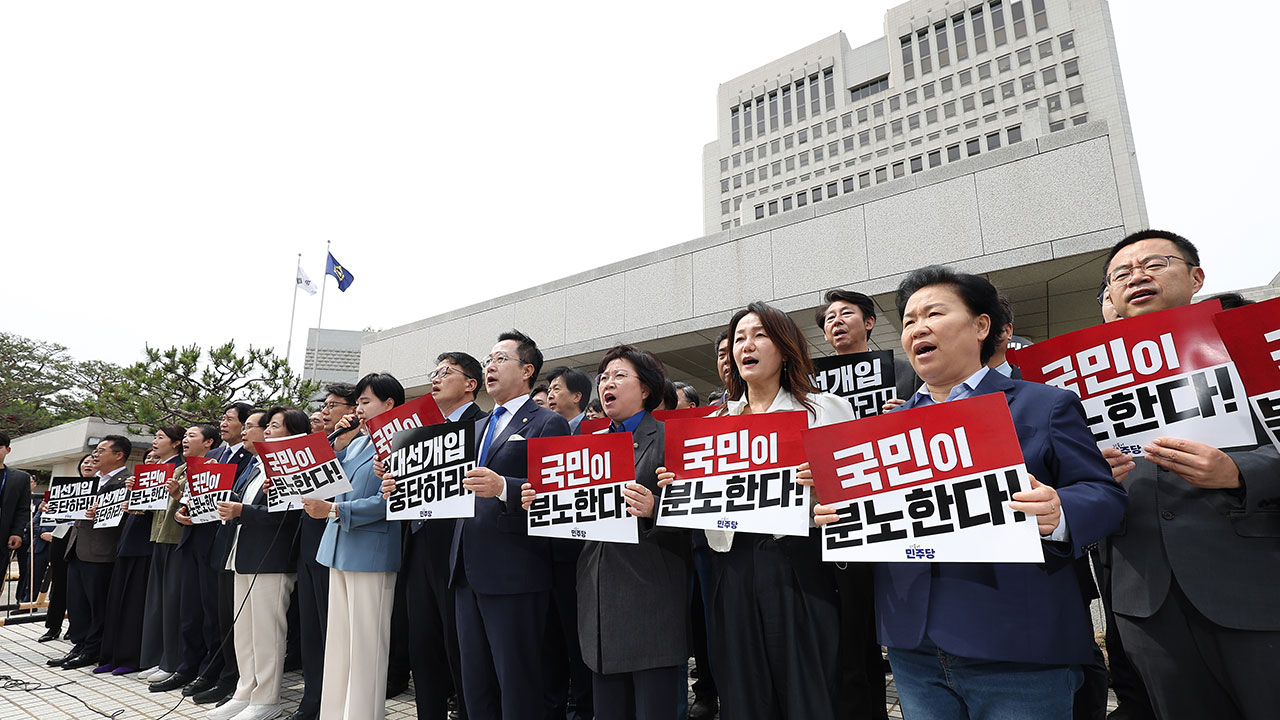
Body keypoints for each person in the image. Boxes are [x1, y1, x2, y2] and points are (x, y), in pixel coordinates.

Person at [815, 265, 1127, 720]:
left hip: (1019, 645)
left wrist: (1060, 512)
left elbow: (1105, 496)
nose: (918, 328)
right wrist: (839, 516)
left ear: (982, 325)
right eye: (908, 321)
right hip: (914, 647)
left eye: (934, 314)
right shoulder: (880, 434)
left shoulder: (1045, 404)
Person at [1099, 230, 1280, 720]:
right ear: (1111, 297)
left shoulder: (1255, 343)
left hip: (1257, 588)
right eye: (1121, 274)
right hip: (1148, 603)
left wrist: (1239, 470)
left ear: (1196, 276)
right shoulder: (1082, 378)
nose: (1136, 276)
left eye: (1154, 263)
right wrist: (1093, 480)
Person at [658, 302, 857, 720]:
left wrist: (825, 488)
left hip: (798, 563)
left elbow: (854, 496)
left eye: (760, 335)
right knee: (743, 691)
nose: (746, 346)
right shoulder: (712, 424)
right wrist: (676, 490)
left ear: (785, 348)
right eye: (740, 339)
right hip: (730, 566)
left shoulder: (824, 410)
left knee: (806, 688)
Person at [522, 345, 688, 720]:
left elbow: (701, 517)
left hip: (651, 603)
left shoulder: (670, 438)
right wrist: (542, 503)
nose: (607, 384)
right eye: (604, 378)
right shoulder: (584, 449)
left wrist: (656, 508)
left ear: (645, 389)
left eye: (619, 376)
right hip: (597, 603)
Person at [449, 330, 571, 720]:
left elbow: (556, 491)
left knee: (516, 682)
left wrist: (504, 487)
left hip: (515, 570)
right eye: (488, 359)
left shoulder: (548, 422)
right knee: (476, 682)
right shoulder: (479, 427)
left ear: (527, 370)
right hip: (465, 569)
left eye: (500, 359)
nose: (490, 366)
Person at [390, 353, 485, 720]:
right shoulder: (418, 432)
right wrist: (392, 482)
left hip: (458, 550)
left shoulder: (484, 425)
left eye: (446, 372)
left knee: (459, 645)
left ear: (470, 384)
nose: (436, 378)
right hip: (417, 544)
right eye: (435, 372)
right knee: (423, 644)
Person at [307, 373, 404, 720]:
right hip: (338, 548)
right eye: (358, 403)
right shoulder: (357, 442)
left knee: (366, 647)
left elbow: (389, 502)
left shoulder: (400, 442)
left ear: (389, 404)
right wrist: (340, 441)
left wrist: (334, 510)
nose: (359, 409)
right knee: (340, 643)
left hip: (372, 553)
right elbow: (334, 482)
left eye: (366, 402)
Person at [209, 408, 307, 720]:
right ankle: (245, 691)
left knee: (267, 633)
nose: (266, 431)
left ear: (294, 432)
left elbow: (289, 515)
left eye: (274, 426)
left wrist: (242, 511)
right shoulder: (257, 465)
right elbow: (243, 503)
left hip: (273, 559)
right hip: (242, 554)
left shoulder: (295, 465)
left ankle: (267, 699)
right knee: (245, 631)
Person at [285, 382, 356, 720]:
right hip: (309, 542)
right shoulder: (322, 444)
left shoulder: (359, 446)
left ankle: (331, 702)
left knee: (334, 632)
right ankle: (312, 698)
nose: (326, 411)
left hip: (341, 545)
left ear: (353, 410)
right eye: (324, 405)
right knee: (312, 630)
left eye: (334, 405)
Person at [179, 404, 258, 701]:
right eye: (222, 418)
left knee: (219, 613)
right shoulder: (210, 457)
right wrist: (182, 511)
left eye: (231, 419)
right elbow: (192, 497)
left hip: (227, 539)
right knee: (193, 609)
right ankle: (194, 666)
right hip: (198, 538)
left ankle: (219, 671)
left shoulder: (251, 459)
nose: (224, 423)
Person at [542, 364, 596, 720]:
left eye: (557, 389)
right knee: (552, 641)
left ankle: (581, 707)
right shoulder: (544, 433)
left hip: (577, 554)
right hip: (543, 553)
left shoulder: (596, 438)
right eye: (548, 388)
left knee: (577, 640)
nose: (550, 394)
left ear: (577, 397)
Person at [49, 435, 130, 671]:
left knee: (97, 605)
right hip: (77, 548)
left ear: (118, 455)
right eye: (95, 450)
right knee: (78, 603)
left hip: (102, 552)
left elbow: (123, 518)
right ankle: (80, 644)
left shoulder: (127, 481)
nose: (95, 454)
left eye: (102, 450)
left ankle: (93, 648)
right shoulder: (91, 481)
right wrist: (53, 507)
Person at [152, 425, 222, 694]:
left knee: (210, 615)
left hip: (214, 545)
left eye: (192, 436)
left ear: (208, 442)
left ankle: (208, 670)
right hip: (190, 539)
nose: (185, 441)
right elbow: (195, 502)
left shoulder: (230, 461)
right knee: (189, 613)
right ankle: (187, 666)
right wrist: (182, 505)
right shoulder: (193, 467)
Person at [96, 437, 162, 676]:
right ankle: (110, 655)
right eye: (147, 460)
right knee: (117, 605)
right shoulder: (131, 486)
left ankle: (130, 657)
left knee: (134, 607)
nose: (151, 461)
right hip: (125, 546)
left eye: (156, 459)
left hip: (145, 549)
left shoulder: (164, 486)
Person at [815, 288, 924, 410]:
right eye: (830, 318)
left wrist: (910, 415)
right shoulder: (812, 386)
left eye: (846, 313)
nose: (837, 321)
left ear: (868, 323)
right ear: (825, 334)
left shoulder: (908, 372)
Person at [137, 426, 187, 681]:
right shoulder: (162, 468)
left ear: (175, 443)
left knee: (171, 602)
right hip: (158, 536)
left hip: (175, 538)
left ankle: (170, 660)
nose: (155, 442)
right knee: (157, 601)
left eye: (160, 437)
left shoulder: (182, 467)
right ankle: (157, 658)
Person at [39, 453, 94, 643]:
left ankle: (75, 626)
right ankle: (52, 627)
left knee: (78, 587)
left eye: (92, 462)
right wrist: (46, 508)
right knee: (59, 584)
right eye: (85, 462)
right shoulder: (66, 487)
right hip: (62, 537)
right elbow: (52, 514)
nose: (88, 465)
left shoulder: (102, 488)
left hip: (85, 540)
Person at [0, 431, 33, 568]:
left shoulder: (20, 478)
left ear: (8, 450)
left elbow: (23, 508)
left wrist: (17, 532)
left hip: (3, 536)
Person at [546, 365, 593, 434]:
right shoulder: (547, 431)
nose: (550, 396)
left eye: (556, 389)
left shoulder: (595, 432)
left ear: (576, 397)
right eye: (549, 391)